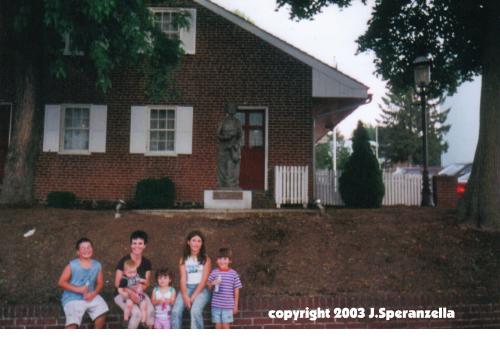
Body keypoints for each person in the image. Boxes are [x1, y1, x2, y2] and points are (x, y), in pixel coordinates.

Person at [58, 237, 109, 329]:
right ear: (78, 252)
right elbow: (61, 282)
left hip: (90, 295)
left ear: (92, 249)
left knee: (102, 310)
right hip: (72, 298)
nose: (87, 250)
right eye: (83, 248)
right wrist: (78, 289)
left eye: (89, 247)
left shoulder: (97, 265)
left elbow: (100, 283)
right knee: (72, 323)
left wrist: (93, 294)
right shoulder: (72, 265)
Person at [171, 230, 212, 329]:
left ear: (202, 244)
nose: (196, 243)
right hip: (187, 287)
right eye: (194, 240)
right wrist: (185, 296)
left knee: (195, 311)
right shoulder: (183, 259)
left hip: (202, 289)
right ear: (188, 242)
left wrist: (192, 298)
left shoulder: (206, 259)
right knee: (175, 311)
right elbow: (183, 279)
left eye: (199, 241)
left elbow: (204, 281)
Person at [114, 230, 155, 328]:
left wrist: (140, 289)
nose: (137, 246)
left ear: (145, 245)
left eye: (140, 243)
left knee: (150, 311)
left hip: (138, 291)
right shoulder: (124, 261)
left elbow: (146, 283)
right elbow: (117, 283)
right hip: (122, 292)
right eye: (134, 243)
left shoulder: (147, 263)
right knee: (136, 313)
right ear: (130, 244)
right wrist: (130, 293)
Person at [207, 248, 243, 329]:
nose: (222, 261)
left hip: (228, 306)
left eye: (225, 259)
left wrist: (235, 305)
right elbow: (208, 285)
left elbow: (236, 290)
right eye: (220, 258)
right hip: (216, 305)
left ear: (230, 261)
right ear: (217, 260)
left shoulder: (233, 274)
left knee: (226, 326)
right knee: (218, 326)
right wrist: (213, 283)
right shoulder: (214, 272)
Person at [216, 103, 243, 188]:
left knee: (231, 165)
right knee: (222, 165)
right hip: (223, 147)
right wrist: (224, 137)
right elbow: (217, 134)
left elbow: (240, 135)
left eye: (233, 108)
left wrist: (236, 144)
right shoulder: (223, 121)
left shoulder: (237, 122)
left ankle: (233, 184)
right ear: (227, 109)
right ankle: (222, 185)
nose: (231, 110)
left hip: (233, 147)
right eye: (230, 108)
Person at [118, 259, 147, 323]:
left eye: (134, 272)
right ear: (125, 272)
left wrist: (142, 283)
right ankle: (125, 319)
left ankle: (143, 321)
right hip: (130, 296)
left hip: (139, 295)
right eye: (129, 272)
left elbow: (144, 282)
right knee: (129, 305)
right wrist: (123, 293)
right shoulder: (124, 280)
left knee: (144, 305)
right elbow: (119, 289)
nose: (132, 274)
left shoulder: (137, 276)